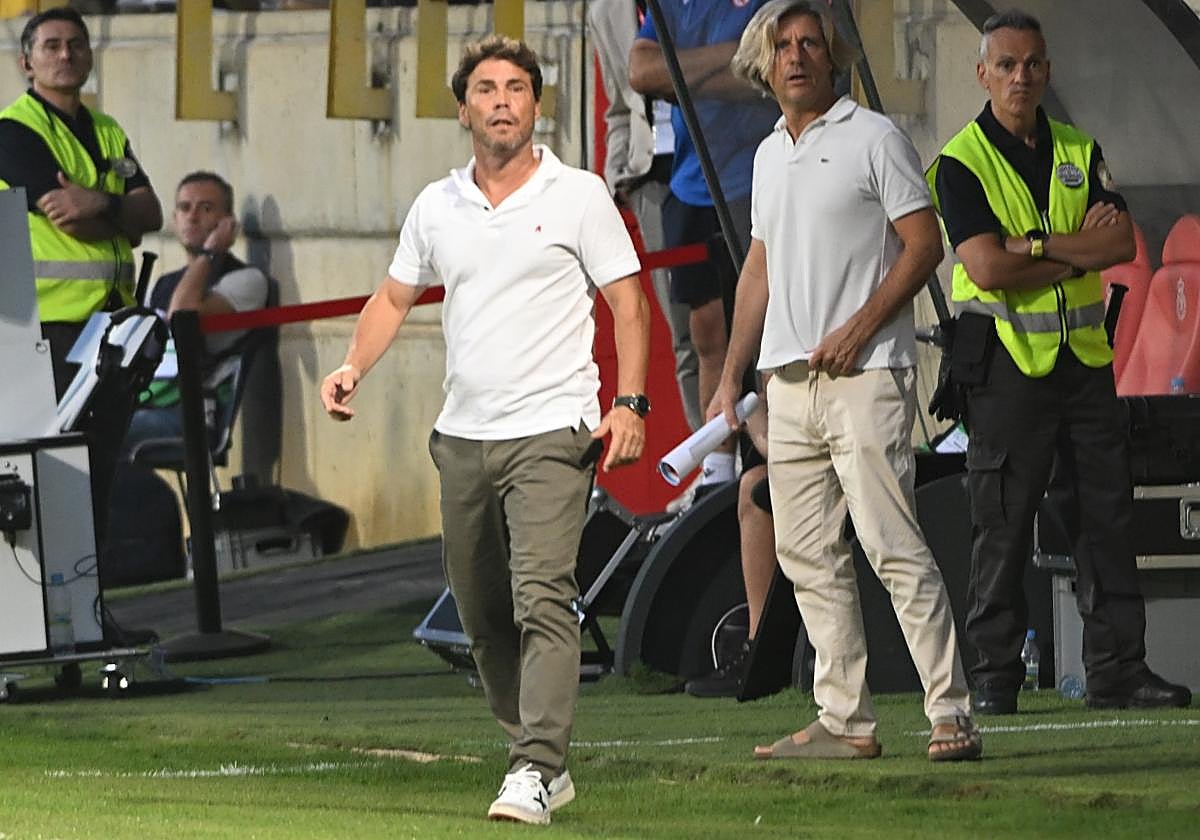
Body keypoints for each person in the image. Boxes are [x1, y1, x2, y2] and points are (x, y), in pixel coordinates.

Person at [320, 36, 650, 825]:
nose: (502, 101)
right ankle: (538, 757)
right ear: (464, 109)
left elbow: (629, 304)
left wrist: (630, 404)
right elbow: (393, 298)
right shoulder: (438, 205)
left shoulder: (579, 195)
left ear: (536, 105)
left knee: (543, 598)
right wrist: (353, 367)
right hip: (463, 436)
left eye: (516, 88)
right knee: (480, 614)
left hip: (555, 431)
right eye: (487, 89)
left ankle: (533, 766)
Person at [714, 0, 981, 761]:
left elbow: (924, 246)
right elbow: (759, 268)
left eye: (810, 43)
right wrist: (731, 376)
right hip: (788, 386)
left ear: (833, 58)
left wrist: (860, 329)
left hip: (867, 376)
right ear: (764, 65)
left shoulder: (874, 137)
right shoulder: (768, 155)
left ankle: (952, 713)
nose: (797, 56)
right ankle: (845, 722)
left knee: (891, 545)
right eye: (782, 46)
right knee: (806, 556)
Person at [927, 9, 1191, 715]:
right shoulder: (960, 162)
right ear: (983, 74)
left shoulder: (1079, 147)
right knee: (1003, 524)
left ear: (1048, 71)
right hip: (1006, 367)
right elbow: (985, 265)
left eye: (1033, 64)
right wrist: (1070, 249)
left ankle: (1118, 670)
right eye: (1007, 65)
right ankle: (995, 676)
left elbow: (1119, 246)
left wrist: (1035, 246)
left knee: (1107, 517)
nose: (1021, 76)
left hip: (1084, 364)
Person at [629, 0, 779, 490]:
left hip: (753, 183)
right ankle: (716, 466)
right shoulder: (677, 5)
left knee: (762, 330)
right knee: (705, 334)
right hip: (691, 187)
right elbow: (642, 71)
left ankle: (771, 454)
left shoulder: (768, 4)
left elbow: (764, 80)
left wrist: (682, 73)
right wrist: (732, 54)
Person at [0, 6, 162, 400]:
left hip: (111, 322)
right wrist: (123, 220)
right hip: (42, 327)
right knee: (51, 441)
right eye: (51, 46)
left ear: (90, 57)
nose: (65, 55)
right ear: (26, 64)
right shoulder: (14, 130)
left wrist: (99, 202)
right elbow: (72, 222)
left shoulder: (107, 129)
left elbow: (152, 213)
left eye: (76, 45)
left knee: (103, 439)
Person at [588, 0, 701, 433]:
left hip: (717, 162)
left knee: (738, 319)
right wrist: (620, 178)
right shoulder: (606, 12)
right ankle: (711, 454)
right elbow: (619, 109)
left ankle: (753, 451)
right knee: (684, 327)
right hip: (652, 175)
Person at [123, 171, 269, 451]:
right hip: (149, 402)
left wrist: (211, 252)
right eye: (184, 207)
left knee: (101, 440)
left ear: (227, 222)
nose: (192, 217)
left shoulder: (247, 280)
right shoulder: (164, 284)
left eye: (206, 208)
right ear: (174, 219)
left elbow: (182, 315)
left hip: (193, 415)